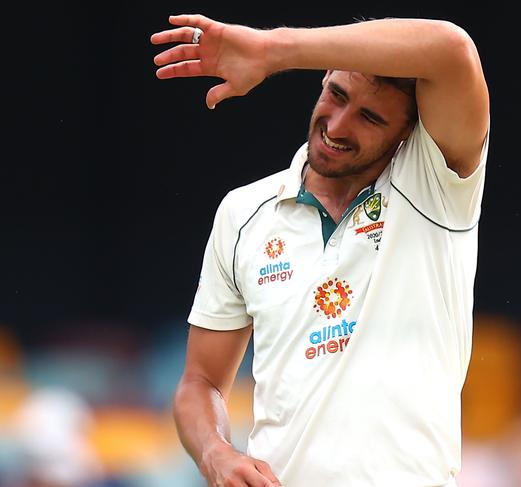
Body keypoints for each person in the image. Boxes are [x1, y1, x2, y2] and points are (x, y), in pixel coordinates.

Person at [151, 12, 490, 487]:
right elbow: (199, 383)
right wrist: (216, 455)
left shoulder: (433, 186)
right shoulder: (243, 212)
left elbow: (451, 49)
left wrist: (272, 51)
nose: (338, 124)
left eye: (370, 117)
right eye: (337, 94)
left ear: (406, 136)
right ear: (324, 78)